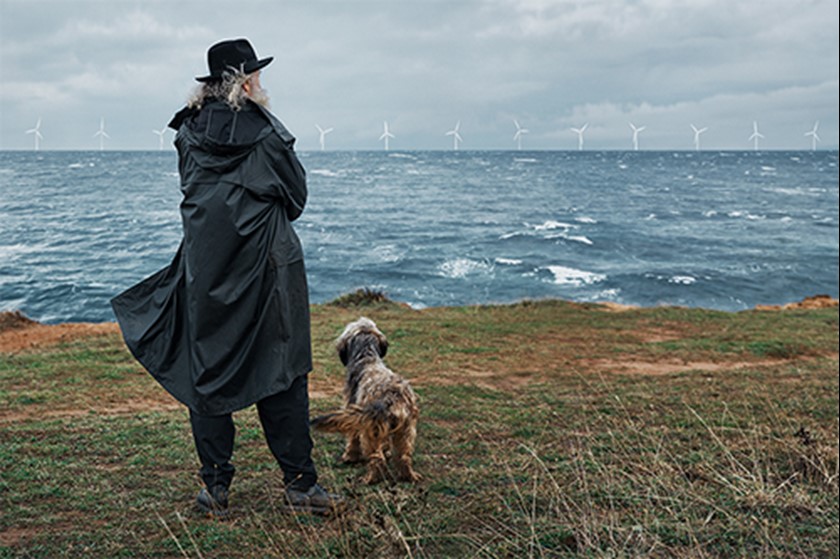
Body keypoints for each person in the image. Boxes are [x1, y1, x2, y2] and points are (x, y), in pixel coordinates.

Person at [111, 38, 343, 517]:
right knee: (282, 371)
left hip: (206, 270)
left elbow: (197, 195)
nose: (262, 83)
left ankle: (214, 489)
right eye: (256, 75)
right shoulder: (265, 133)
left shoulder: (188, 132)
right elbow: (295, 198)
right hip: (266, 271)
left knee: (208, 372)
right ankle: (301, 486)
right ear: (244, 82)